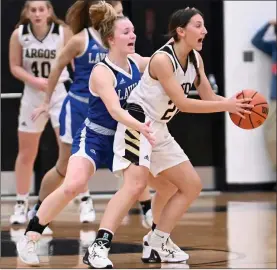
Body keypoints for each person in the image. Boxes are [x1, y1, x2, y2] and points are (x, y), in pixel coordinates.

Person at [84, 7, 254, 268]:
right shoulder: (163, 60)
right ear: (181, 31)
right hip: (138, 123)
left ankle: (157, 239)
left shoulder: (196, 59)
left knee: (190, 185)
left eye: (205, 25)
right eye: (199, 25)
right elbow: (184, 104)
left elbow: (208, 97)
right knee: (135, 185)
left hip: (159, 128)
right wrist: (227, 106)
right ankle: (98, 247)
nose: (205, 31)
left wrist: (236, 105)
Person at [16, 2, 175, 266]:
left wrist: (182, 51)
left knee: (162, 185)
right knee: (73, 184)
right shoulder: (101, 71)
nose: (133, 36)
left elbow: (160, 63)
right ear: (110, 39)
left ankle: (157, 236)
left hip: (123, 138)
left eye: (134, 31)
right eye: (126, 32)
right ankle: (31, 237)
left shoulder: (136, 62)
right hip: (95, 136)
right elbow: (114, 110)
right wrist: (142, 126)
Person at [29, 0, 154, 227]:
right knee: (65, 166)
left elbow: (146, 66)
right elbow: (57, 66)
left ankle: (147, 210)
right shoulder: (81, 40)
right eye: (118, 13)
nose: (120, 17)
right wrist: (47, 101)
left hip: (110, 111)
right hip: (80, 108)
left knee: (132, 161)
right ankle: (40, 208)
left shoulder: (124, 49)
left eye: (122, 13)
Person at [9, 0, 72, 225]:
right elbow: (14, 66)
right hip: (32, 96)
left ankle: (84, 200)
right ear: (27, 12)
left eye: (41, 9)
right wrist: (34, 80)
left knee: (70, 151)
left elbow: (75, 62)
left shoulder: (63, 32)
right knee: (27, 152)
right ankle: (21, 202)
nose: (37, 13)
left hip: (59, 95)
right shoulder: (19, 34)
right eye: (32, 9)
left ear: (49, 11)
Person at [251, 20, 276, 187]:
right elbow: (256, 41)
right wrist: (269, 24)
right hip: (275, 98)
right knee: (271, 136)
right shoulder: (274, 47)